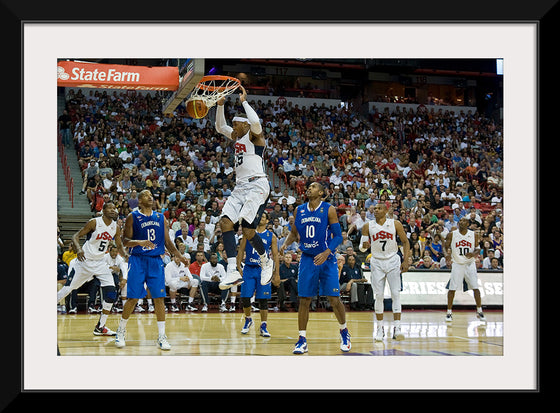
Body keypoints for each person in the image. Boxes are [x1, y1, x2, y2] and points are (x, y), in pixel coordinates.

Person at [279, 181, 351, 354]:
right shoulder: (299, 210)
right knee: (304, 299)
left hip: (327, 259)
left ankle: (344, 331)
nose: (309, 188)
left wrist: (327, 252)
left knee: (334, 299)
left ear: (321, 193)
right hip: (307, 259)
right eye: (308, 186)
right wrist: (285, 244)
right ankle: (302, 339)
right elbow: (295, 232)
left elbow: (337, 237)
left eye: (313, 187)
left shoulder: (329, 209)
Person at [214, 86, 273, 290]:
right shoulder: (239, 138)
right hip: (240, 187)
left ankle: (266, 261)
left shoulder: (254, 137)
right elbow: (220, 126)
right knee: (225, 222)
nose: (232, 126)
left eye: (235, 124)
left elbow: (256, 122)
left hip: (257, 183)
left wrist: (244, 102)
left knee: (248, 229)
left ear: (244, 125)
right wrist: (220, 106)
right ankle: (232, 270)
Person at [115, 190, 190, 350]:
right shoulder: (132, 217)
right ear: (139, 201)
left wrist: (179, 255)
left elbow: (168, 242)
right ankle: (120, 331)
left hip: (156, 261)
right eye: (145, 195)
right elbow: (125, 241)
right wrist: (139, 242)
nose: (150, 197)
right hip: (137, 260)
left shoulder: (160, 217)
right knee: (133, 298)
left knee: (159, 298)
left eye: (151, 195)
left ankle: (161, 336)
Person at [56, 202, 127, 336]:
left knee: (112, 293)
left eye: (114, 208)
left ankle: (100, 326)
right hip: (84, 262)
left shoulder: (115, 228)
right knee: (67, 289)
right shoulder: (94, 222)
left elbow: (119, 245)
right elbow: (75, 236)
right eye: (110, 208)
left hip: (100, 263)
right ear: (103, 210)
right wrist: (78, 249)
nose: (113, 210)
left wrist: (127, 256)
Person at [359, 202, 410, 342]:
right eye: (374, 208)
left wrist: (406, 260)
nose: (375, 210)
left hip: (393, 260)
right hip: (376, 261)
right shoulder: (367, 226)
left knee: (395, 293)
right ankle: (380, 328)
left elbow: (405, 242)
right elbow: (362, 248)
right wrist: (364, 246)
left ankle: (397, 327)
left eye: (379, 208)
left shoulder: (395, 224)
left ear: (386, 211)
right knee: (379, 295)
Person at [236, 212, 280, 337]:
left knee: (263, 299)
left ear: (267, 221)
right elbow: (241, 249)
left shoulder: (271, 236)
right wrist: (238, 266)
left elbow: (276, 255)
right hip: (249, 268)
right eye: (260, 216)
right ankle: (248, 319)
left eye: (264, 217)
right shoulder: (249, 232)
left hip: (263, 269)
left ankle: (264, 325)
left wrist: (276, 273)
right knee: (245, 297)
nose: (261, 218)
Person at [443, 217, 486, 323]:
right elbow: (445, 246)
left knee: (475, 287)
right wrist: (447, 255)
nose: (461, 222)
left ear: (467, 223)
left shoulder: (474, 235)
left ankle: (479, 311)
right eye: (460, 221)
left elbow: (478, 248)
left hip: (470, 263)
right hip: (457, 263)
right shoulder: (452, 234)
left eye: (463, 221)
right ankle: (449, 312)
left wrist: (474, 253)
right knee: (452, 288)